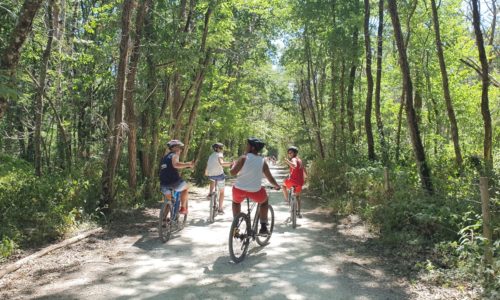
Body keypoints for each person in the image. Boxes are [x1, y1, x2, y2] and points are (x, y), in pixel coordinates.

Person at [230, 137, 280, 235]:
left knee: (236, 203)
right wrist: (277, 185)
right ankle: (263, 227)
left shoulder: (243, 158)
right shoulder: (262, 161)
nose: (245, 146)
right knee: (264, 202)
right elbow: (270, 178)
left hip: (239, 190)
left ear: (252, 147)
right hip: (255, 192)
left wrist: (232, 165)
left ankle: (235, 227)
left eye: (247, 145)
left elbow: (232, 173)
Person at [159, 139, 195, 214]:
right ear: (175, 148)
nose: (180, 150)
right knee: (186, 188)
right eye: (180, 148)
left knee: (169, 201)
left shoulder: (164, 157)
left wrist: (185, 164)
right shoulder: (174, 155)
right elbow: (176, 164)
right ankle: (183, 208)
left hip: (163, 185)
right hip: (174, 182)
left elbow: (169, 167)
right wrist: (188, 164)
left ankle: (164, 220)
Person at [205, 142, 232, 214]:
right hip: (219, 175)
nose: (222, 149)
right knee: (222, 192)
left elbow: (207, 166)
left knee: (212, 179)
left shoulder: (211, 156)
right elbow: (222, 163)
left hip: (211, 175)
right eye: (221, 148)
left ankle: (210, 193)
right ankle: (220, 209)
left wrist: (206, 173)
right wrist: (231, 164)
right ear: (219, 149)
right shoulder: (220, 154)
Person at [282, 146, 307, 218]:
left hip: (293, 181)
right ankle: (299, 212)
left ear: (295, 153)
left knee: (283, 185)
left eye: (291, 153)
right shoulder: (300, 160)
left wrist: (287, 161)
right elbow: (305, 172)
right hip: (300, 182)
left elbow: (294, 166)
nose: (289, 154)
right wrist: (305, 179)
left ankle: (286, 201)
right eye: (288, 153)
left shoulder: (293, 159)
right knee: (298, 197)